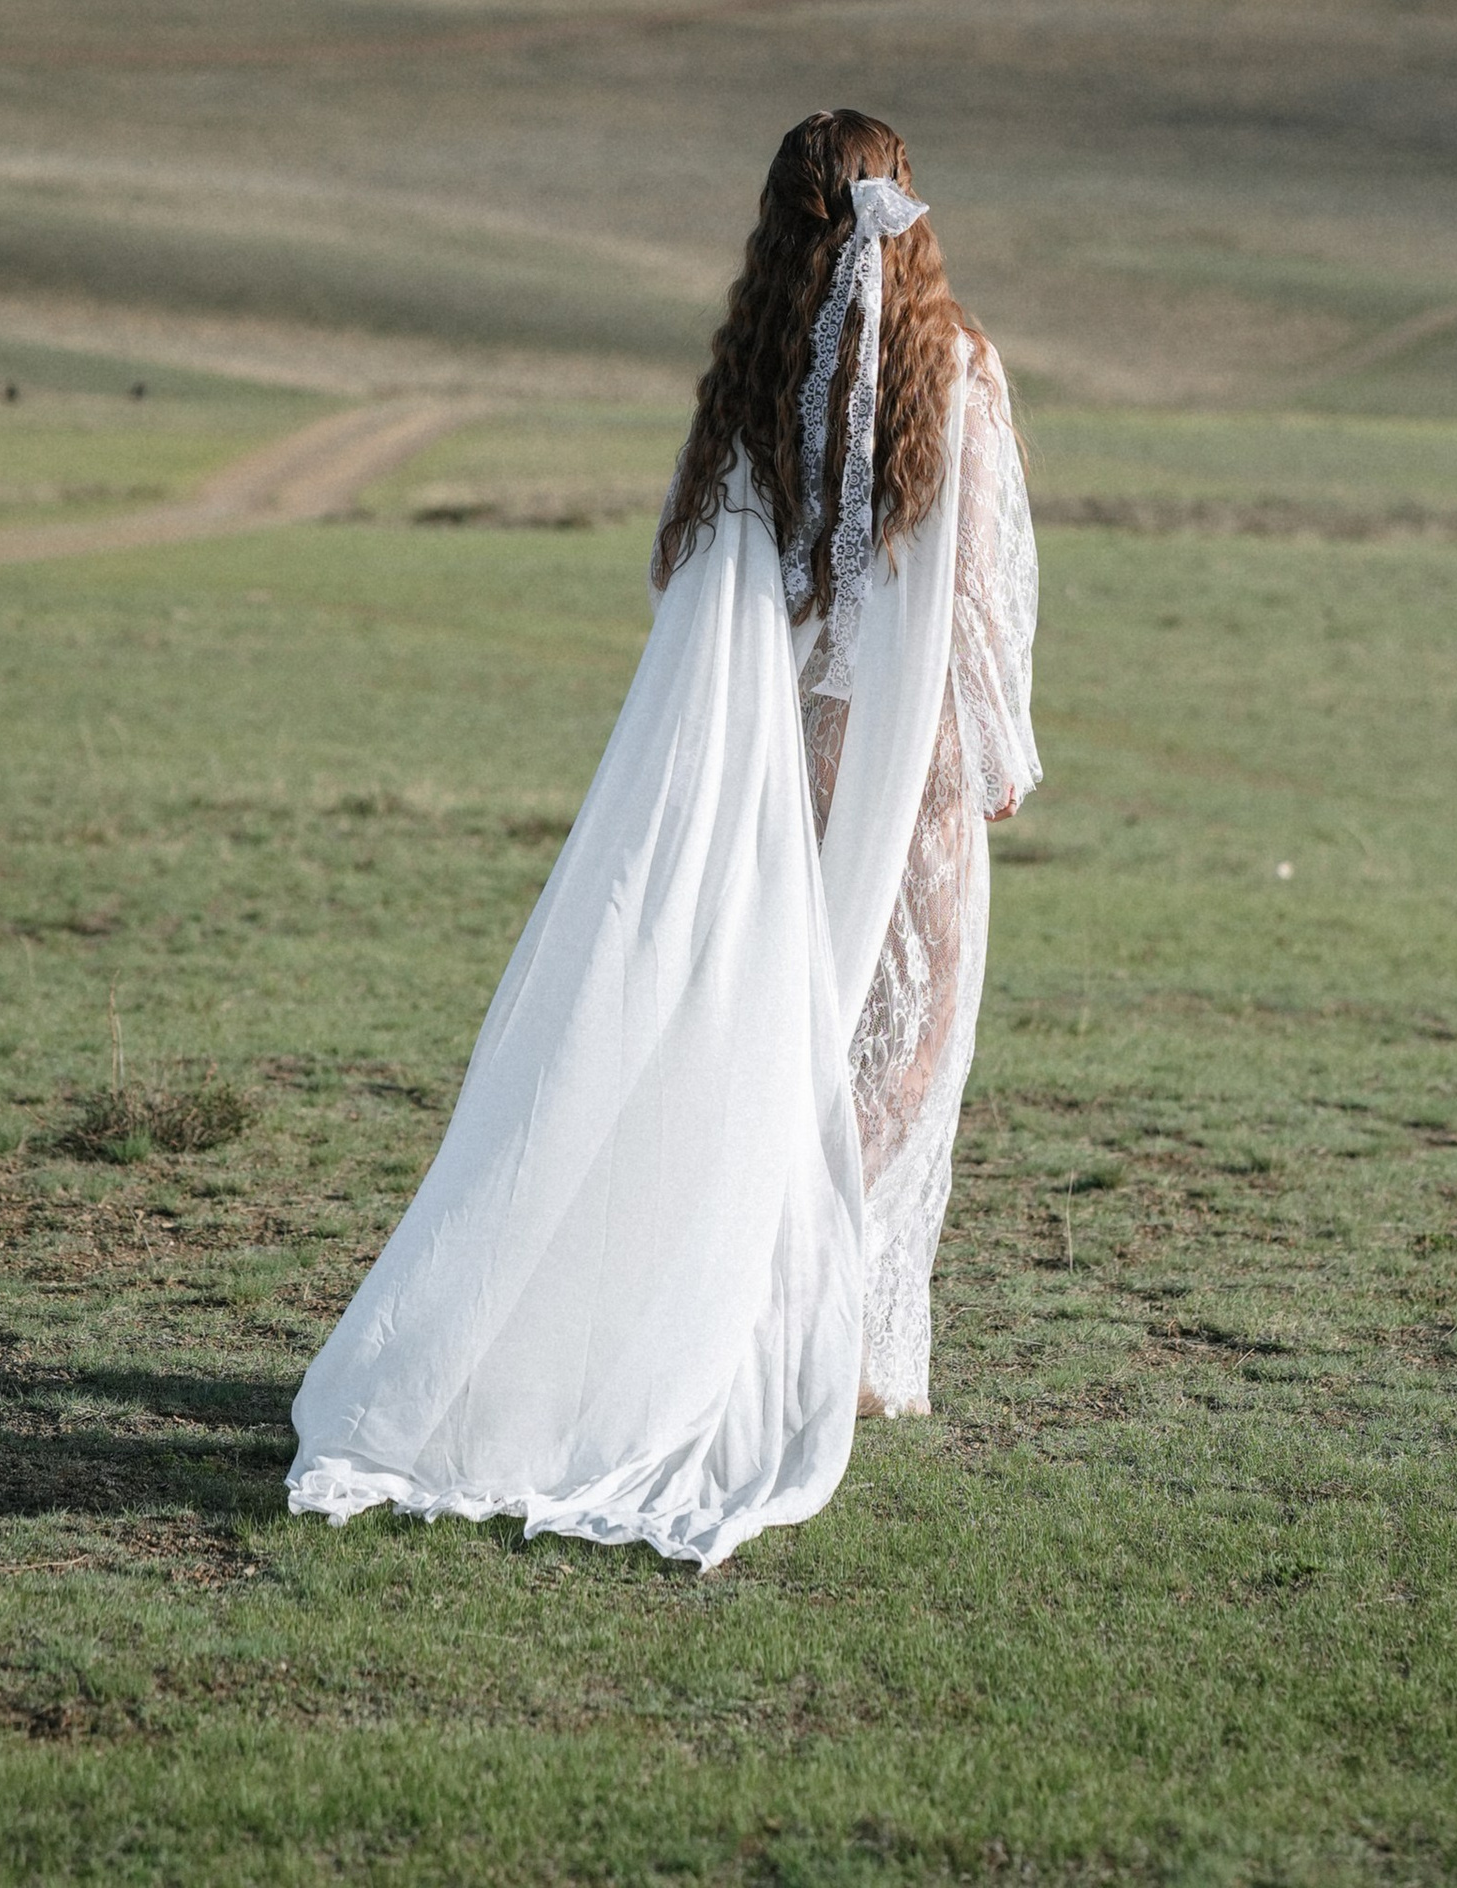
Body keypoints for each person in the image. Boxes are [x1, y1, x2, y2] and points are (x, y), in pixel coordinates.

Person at [287, 109, 1040, 1570]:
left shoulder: (752, 383)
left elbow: (687, 576)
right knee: (905, 1052)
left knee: (766, 1042)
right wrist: (996, 757)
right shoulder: (961, 369)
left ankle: (787, 1326)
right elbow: (981, 594)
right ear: (909, 208)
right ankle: (771, 1328)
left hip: (771, 767)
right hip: (913, 778)